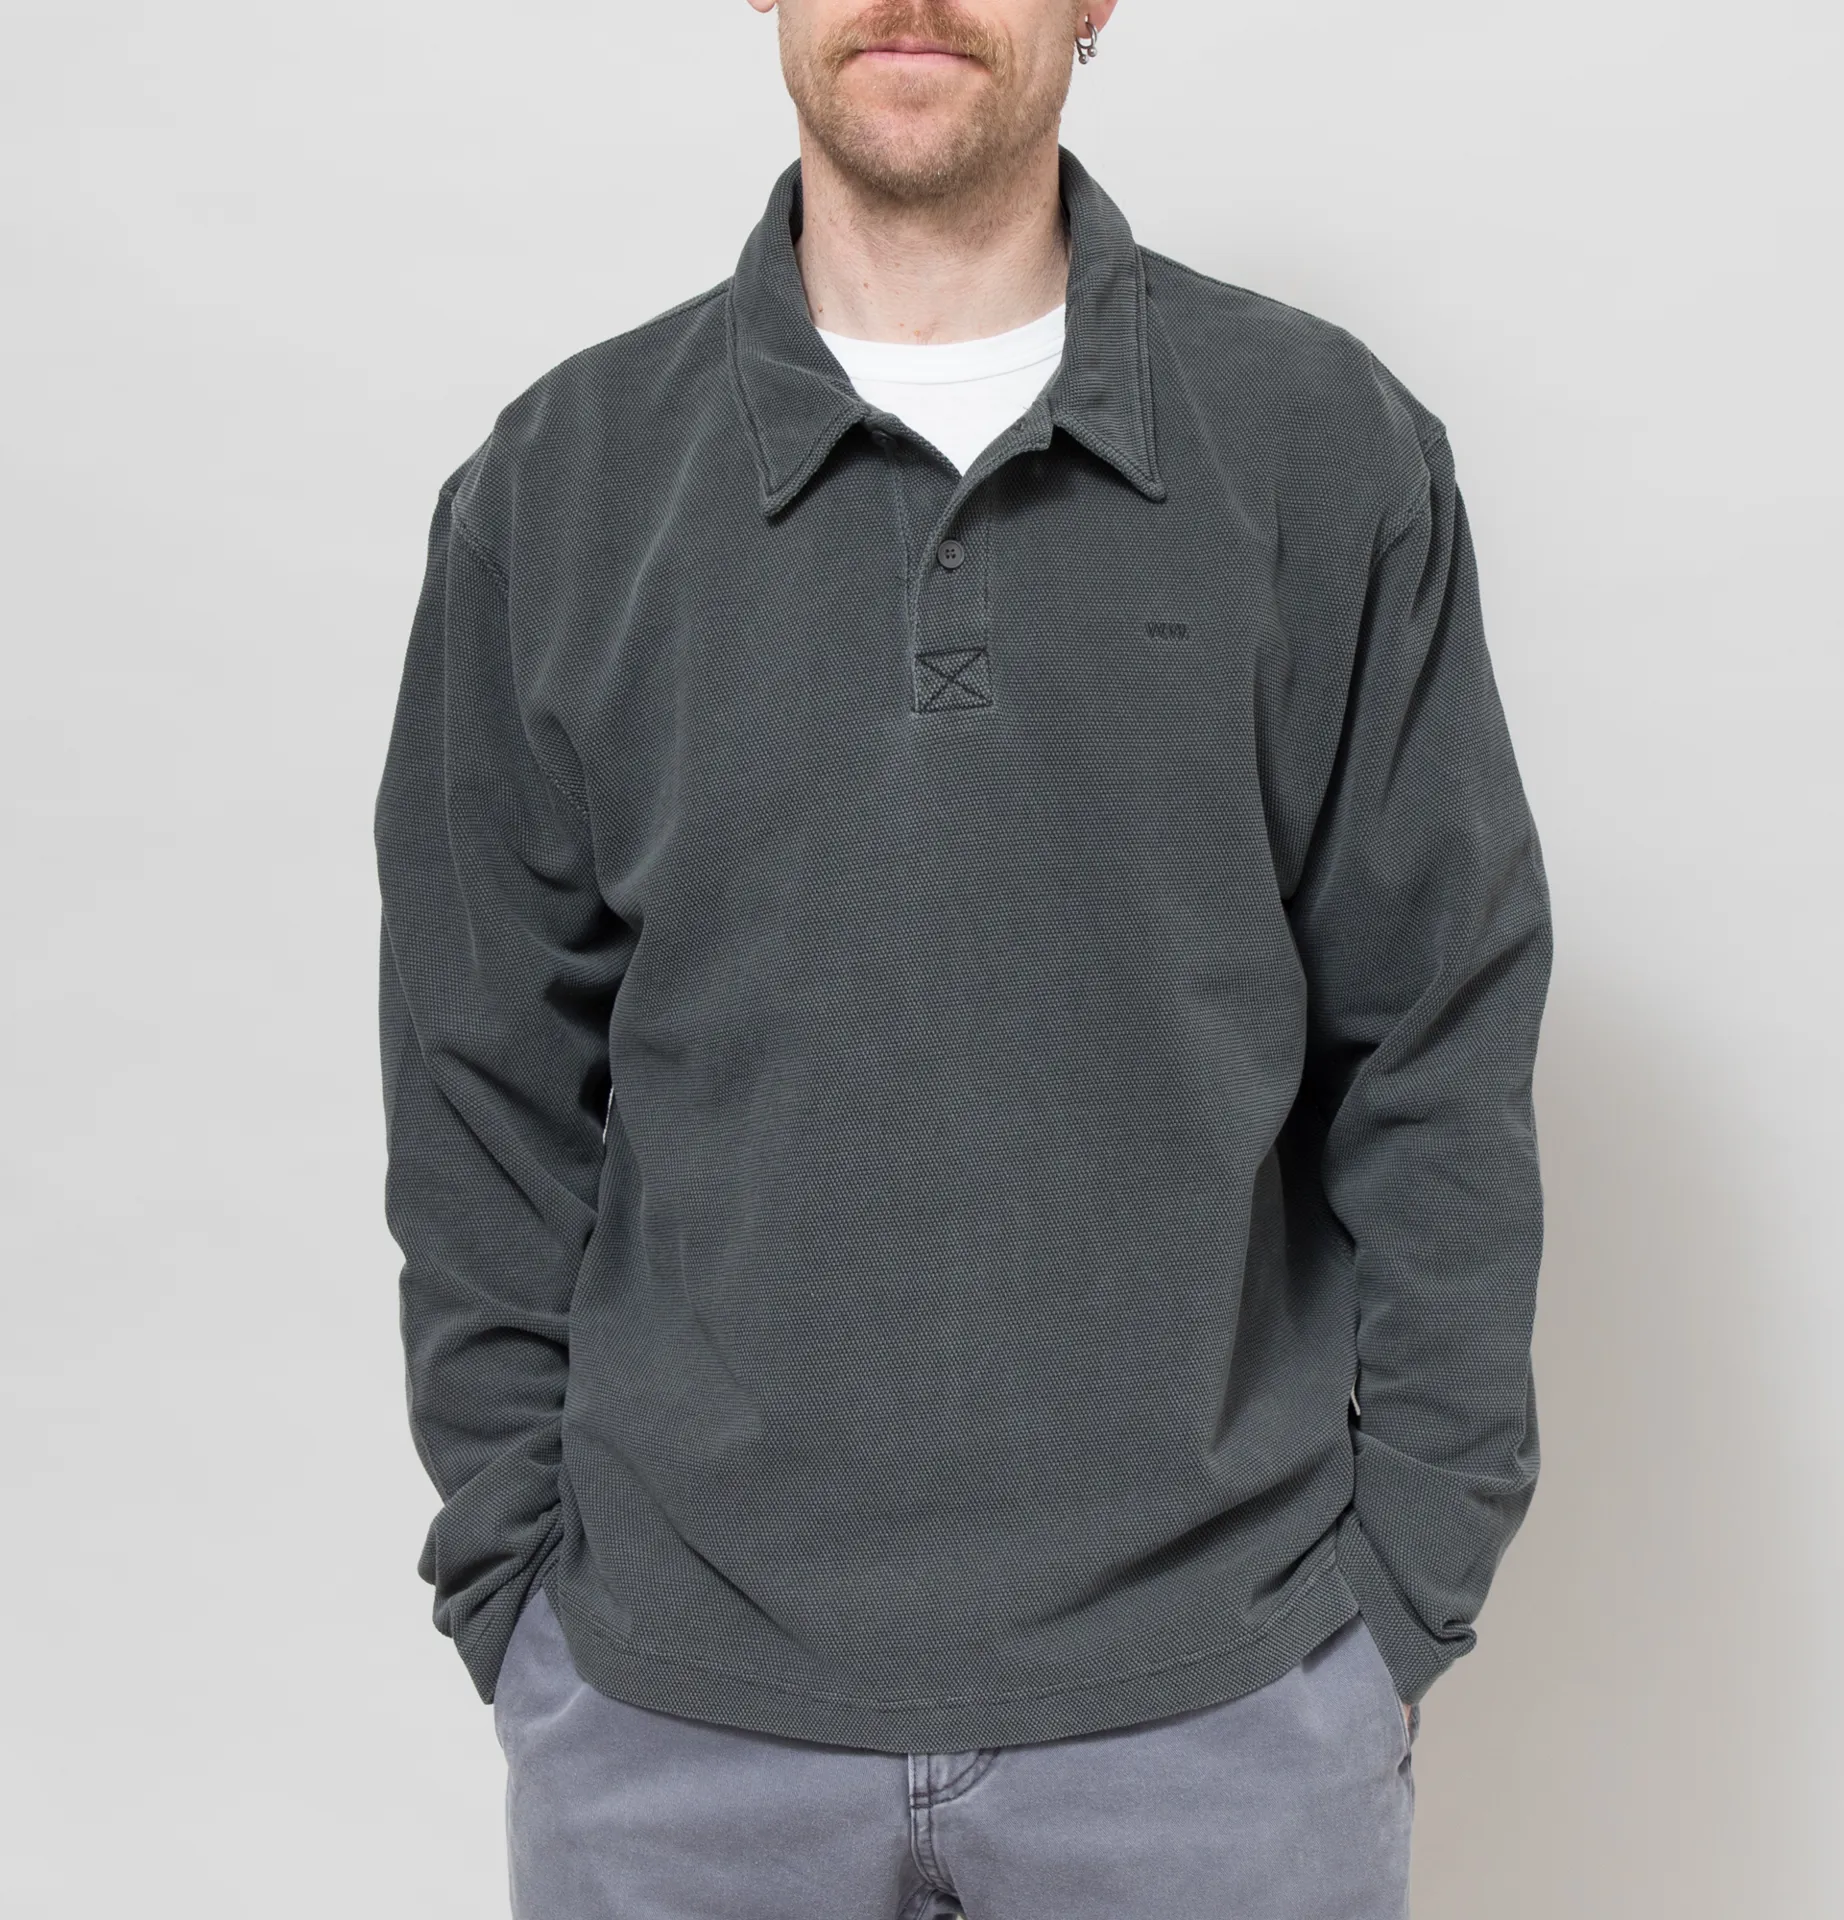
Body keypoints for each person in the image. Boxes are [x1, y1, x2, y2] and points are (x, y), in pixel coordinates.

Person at [371, 2, 1553, 1913]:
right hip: (670, 1729)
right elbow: (479, 1097)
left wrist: (1396, 1597)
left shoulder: (1328, 453)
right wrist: (521, 1595)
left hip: (1227, 1719)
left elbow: (1439, 1048)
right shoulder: (557, 487)